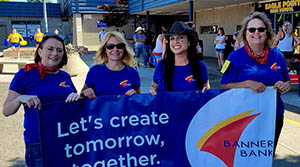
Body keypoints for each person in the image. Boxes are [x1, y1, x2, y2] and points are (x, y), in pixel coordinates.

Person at [2, 35, 80, 166]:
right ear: (40, 51)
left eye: (59, 50)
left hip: (66, 139)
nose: (55, 53)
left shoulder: (65, 76)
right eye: (50, 49)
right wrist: (20, 99)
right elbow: (6, 110)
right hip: (39, 143)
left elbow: (75, 108)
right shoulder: (25, 75)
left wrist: (78, 99)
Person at [221, 12, 291, 153]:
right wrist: (247, 83)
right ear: (245, 33)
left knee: (266, 156)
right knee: (244, 156)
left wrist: (284, 86)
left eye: (261, 29)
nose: (256, 33)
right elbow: (225, 85)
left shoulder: (278, 56)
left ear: (267, 32)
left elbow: (287, 81)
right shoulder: (234, 57)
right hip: (243, 117)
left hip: (273, 117)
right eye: (252, 29)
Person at [149, 21, 210, 95]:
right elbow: (154, 86)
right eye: (172, 38)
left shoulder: (200, 66)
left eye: (181, 37)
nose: (176, 41)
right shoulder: (161, 65)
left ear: (189, 42)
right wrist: (153, 90)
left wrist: (207, 91)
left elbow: (206, 88)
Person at [80, 31, 141, 98]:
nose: (115, 49)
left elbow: (139, 98)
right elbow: (82, 95)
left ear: (124, 49)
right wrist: (86, 92)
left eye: (119, 46)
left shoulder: (133, 73)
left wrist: (135, 94)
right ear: (105, 50)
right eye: (110, 46)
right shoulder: (94, 71)